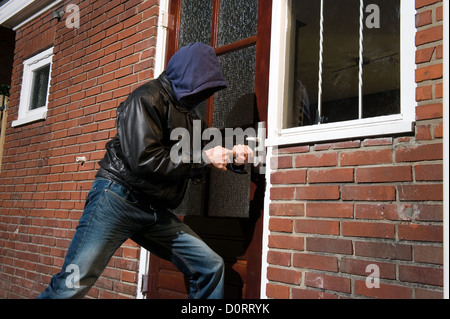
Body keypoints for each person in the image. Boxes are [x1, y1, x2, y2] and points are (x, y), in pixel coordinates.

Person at [37, 43, 253, 299]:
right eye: (201, 86)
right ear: (186, 75)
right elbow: (146, 160)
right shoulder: (146, 98)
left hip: (153, 212)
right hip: (116, 200)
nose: (203, 95)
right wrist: (204, 157)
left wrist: (233, 157)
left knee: (210, 266)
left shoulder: (191, 116)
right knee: (72, 284)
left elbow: (201, 154)